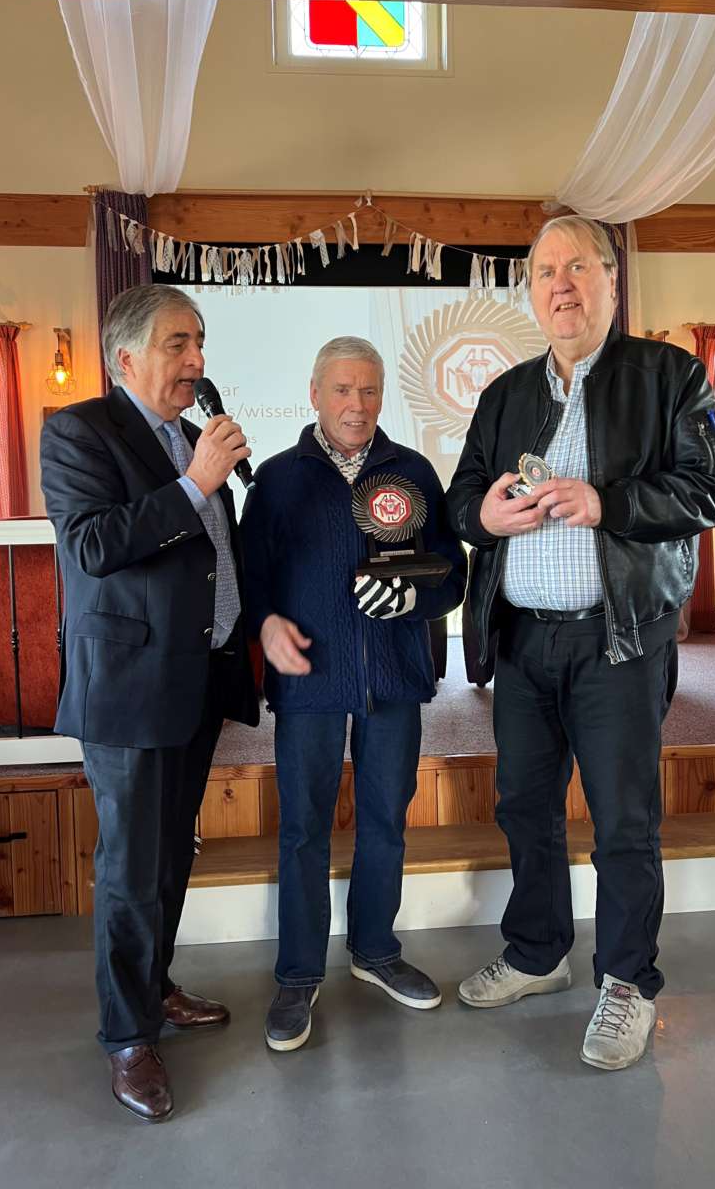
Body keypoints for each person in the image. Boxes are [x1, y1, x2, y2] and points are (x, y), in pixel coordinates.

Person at [446, 216, 715, 1071]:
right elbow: (464, 496)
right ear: (531, 294)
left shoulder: (670, 376)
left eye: (578, 266)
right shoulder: (506, 394)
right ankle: (539, 953)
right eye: (545, 272)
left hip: (619, 642)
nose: (561, 285)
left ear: (612, 279)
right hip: (522, 643)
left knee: (623, 820)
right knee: (524, 808)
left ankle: (627, 982)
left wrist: (608, 503)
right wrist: (483, 516)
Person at [40, 284, 258, 1121]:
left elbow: (211, 557)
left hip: (197, 677)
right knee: (132, 869)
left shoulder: (192, 438)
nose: (196, 360)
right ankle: (128, 1037)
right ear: (126, 357)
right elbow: (93, 545)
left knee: (171, 854)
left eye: (199, 342)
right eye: (178, 344)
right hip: (129, 686)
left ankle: (155, 987)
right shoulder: (79, 431)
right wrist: (197, 484)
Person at [241, 336, 467, 1052]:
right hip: (308, 679)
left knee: (385, 821)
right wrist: (265, 622)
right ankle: (298, 973)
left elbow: (452, 576)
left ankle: (375, 951)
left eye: (369, 390)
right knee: (303, 828)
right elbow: (250, 578)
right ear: (315, 394)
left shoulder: (414, 472)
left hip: (394, 676)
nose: (356, 405)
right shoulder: (277, 479)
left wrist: (417, 601)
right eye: (342, 390)